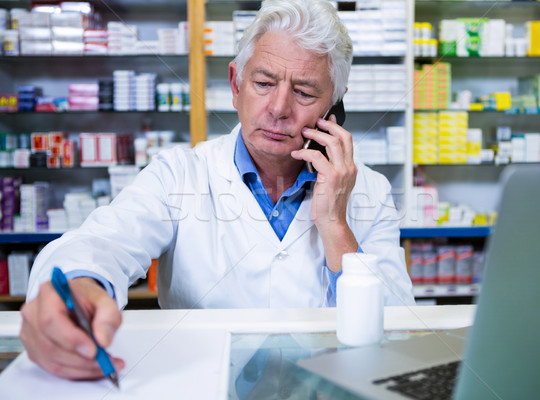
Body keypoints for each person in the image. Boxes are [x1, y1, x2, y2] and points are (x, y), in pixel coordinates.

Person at [20, 0, 415, 382]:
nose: (278, 108)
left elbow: (400, 333)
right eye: (263, 83)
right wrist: (78, 285)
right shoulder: (178, 175)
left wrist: (335, 226)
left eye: (305, 92)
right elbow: (101, 241)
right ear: (235, 84)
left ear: (334, 107)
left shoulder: (371, 191)